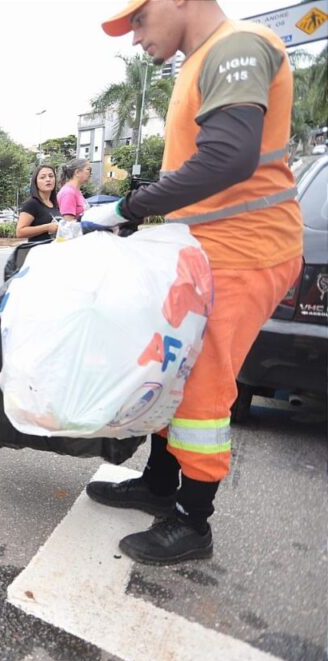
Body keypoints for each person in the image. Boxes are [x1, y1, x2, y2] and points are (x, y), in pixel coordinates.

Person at [81, 0, 303, 565]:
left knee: (201, 387)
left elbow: (228, 157)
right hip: (207, 252)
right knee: (172, 368)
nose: (134, 39)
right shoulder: (200, 60)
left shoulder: (238, 47)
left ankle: (192, 520)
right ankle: (159, 484)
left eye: (137, 19)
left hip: (246, 251)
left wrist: (130, 206)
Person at [15, 165, 61, 242]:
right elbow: (20, 232)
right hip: (38, 251)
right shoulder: (32, 203)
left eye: (51, 176)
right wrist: (47, 227)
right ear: (35, 182)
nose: (48, 179)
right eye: (42, 177)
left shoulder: (55, 203)